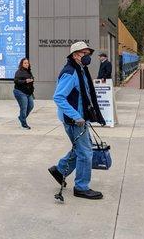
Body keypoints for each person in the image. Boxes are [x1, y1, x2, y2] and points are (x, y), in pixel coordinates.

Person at [48, 41, 106, 200]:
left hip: (81, 118)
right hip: (75, 120)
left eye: (89, 54)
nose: (88, 57)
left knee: (80, 149)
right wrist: (76, 116)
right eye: (84, 54)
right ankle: (81, 187)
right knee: (86, 153)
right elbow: (58, 97)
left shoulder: (81, 70)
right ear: (75, 55)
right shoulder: (70, 72)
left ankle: (60, 171)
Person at [13, 58, 35, 129]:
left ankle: (21, 118)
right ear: (22, 64)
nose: (26, 64)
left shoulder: (29, 71)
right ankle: (24, 124)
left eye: (27, 63)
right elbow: (16, 81)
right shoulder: (19, 72)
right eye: (25, 63)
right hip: (20, 92)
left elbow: (31, 80)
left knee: (31, 106)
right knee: (24, 108)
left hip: (28, 93)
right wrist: (25, 81)